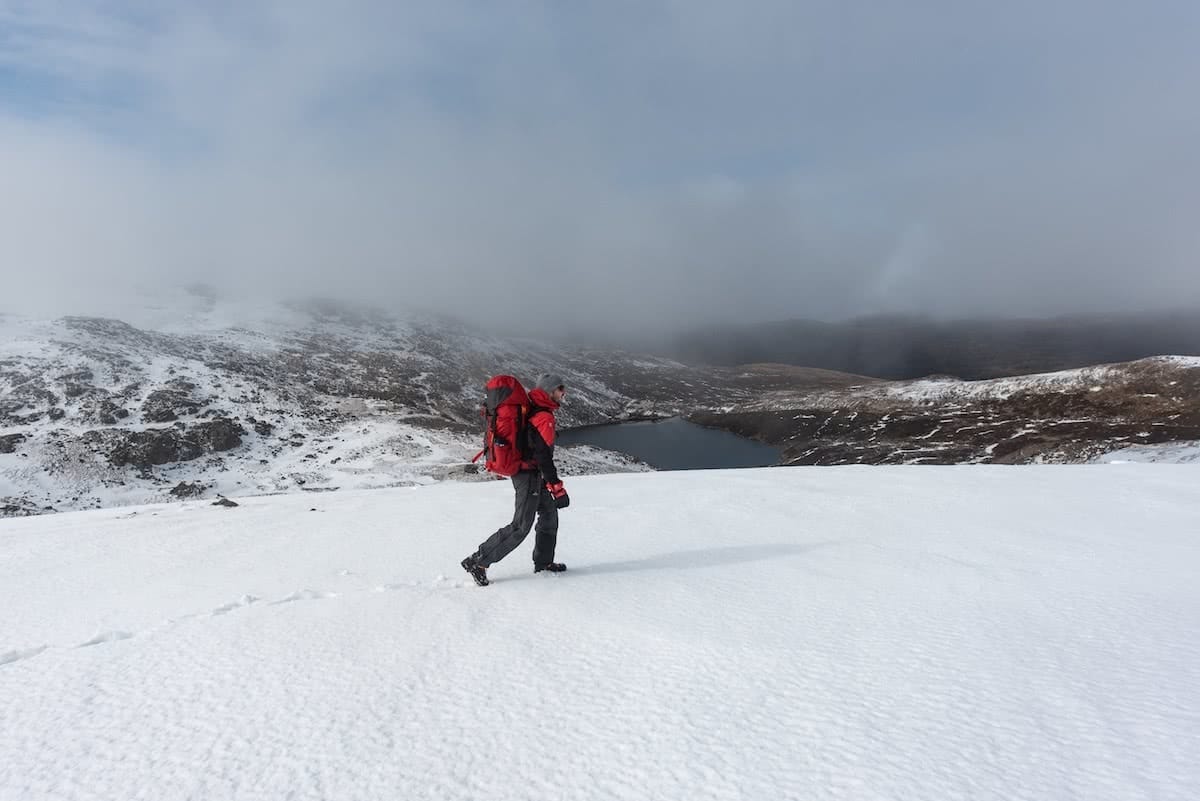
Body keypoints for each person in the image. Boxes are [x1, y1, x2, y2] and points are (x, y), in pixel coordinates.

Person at [461, 374, 570, 586]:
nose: (563, 393)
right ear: (549, 391)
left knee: (548, 513)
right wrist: (557, 488)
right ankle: (479, 561)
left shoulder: (535, 407)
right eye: (560, 389)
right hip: (527, 475)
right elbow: (543, 456)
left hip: (529, 472)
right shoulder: (543, 416)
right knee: (521, 525)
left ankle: (544, 563)